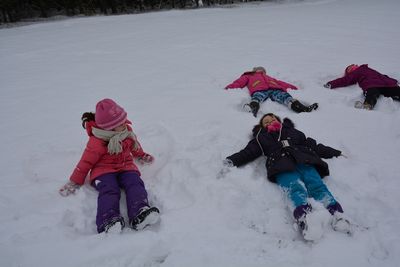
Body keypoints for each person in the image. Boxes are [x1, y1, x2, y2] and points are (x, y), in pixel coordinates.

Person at [222, 113, 351, 240]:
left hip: (304, 160)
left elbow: (313, 145)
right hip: (280, 164)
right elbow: (248, 152)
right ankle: (304, 218)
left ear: (279, 121)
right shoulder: (261, 138)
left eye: (272, 119)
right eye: (265, 121)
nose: (269, 121)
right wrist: (232, 160)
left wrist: (335, 153)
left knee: (317, 186)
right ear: (262, 126)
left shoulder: (293, 132)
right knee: (294, 188)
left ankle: (337, 214)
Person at [59, 98, 160, 234]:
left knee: (135, 183)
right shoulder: (97, 141)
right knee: (109, 190)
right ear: (109, 127)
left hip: (125, 166)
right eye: (120, 123)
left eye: (124, 120)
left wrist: (140, 154)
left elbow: (133, 145)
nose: (124, 124)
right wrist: (75, 181)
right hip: (104, 171)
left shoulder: (126, 131)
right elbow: (85, 163)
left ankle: (140, 212)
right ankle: (108, 220)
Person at [225, 66, 318, 117]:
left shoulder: (270, 78)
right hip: (259, 89)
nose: (262, 71)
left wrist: (293, 87)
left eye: (263, 70)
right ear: (254, 70)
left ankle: (300, 107)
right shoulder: (249, 76)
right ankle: (253, 107)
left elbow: (282, 83)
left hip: (275, 89)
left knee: (285, 96)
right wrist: (230, 87)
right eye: (259, 69)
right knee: (257, 96)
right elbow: (239, 82)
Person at [324, 64, 400, 110]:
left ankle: (368, 104)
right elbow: (345, 80)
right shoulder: (357, 72)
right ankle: (368, 104)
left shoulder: (365, 69)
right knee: (373, 92)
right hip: (382, 84)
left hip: (381, 84)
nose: (353, 65)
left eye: (352, 65)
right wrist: (331, 84)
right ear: (349, 72)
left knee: (373, 92)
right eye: (350, 67)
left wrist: (392, 81)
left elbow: (381, 75)